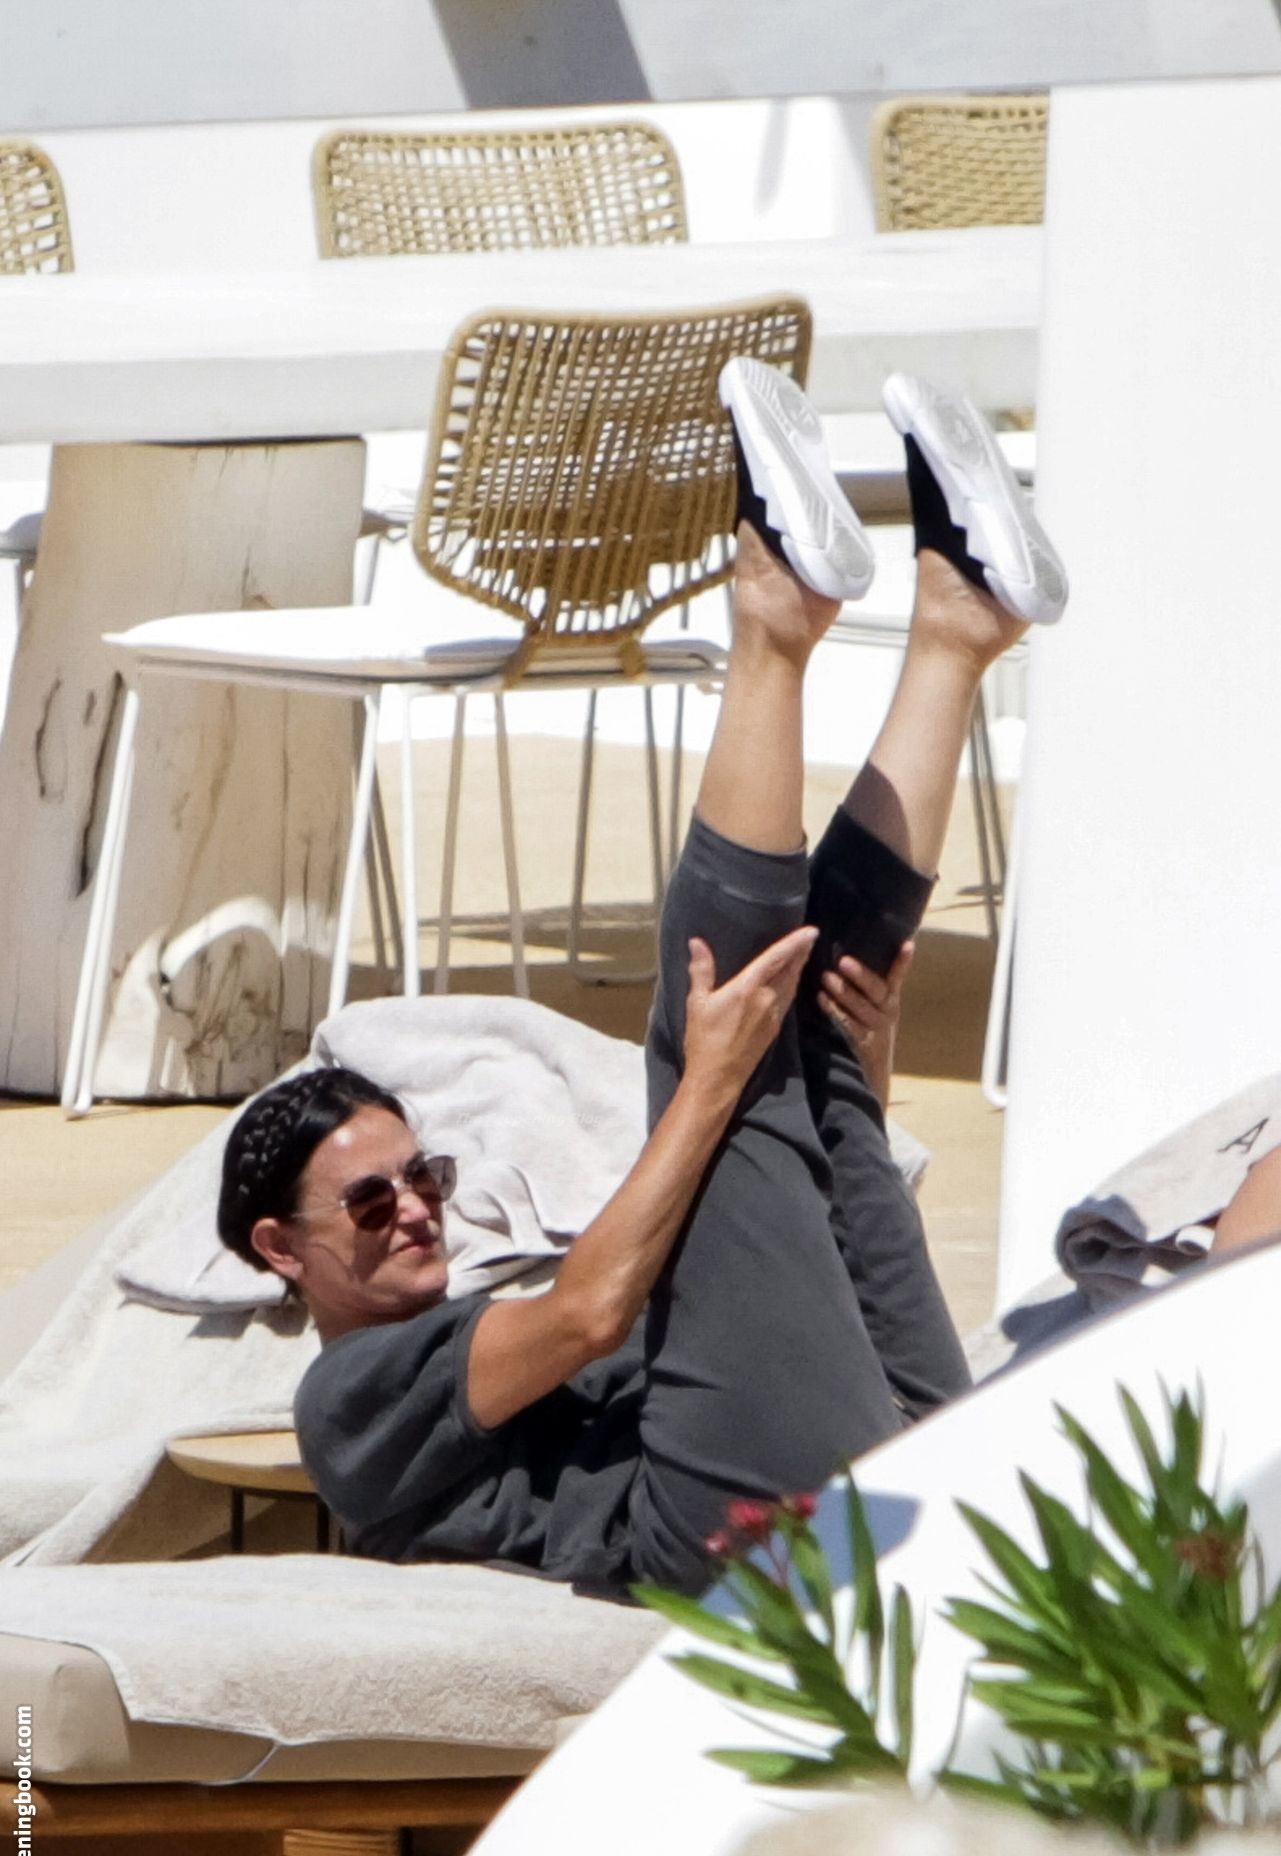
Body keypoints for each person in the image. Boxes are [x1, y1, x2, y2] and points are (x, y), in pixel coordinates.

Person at [216, 363, 1068, 1597]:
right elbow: (594, 1313)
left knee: (822, 1032)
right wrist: (705, 1081)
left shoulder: (476, 1321)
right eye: (367, 1202)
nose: (415, 1209)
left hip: (869, 1470)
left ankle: (956, 631)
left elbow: (722, 1332)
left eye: (423, 1175)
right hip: (733, 1537)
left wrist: (853, 1090)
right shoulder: (344, 1401)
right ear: (280, 1248)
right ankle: (773, 615)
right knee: (715, 1038)